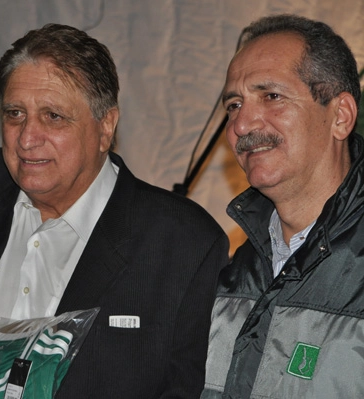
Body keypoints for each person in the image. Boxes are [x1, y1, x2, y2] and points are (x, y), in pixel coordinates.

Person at [0, 23, 230, 398]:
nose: (26, 138)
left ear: (106, 127)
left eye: (53, 116)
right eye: (15, 114)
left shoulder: (181, 243)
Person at [201, 14, 364, 399]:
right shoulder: (223, 269)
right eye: (234, 104)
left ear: (340, 116)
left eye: (271, 96)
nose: (241, 124)